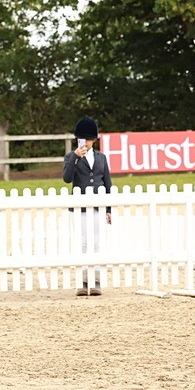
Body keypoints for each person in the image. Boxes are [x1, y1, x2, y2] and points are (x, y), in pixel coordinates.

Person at [62, 116, 113, 296]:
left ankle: (96, 281)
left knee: (97, 243)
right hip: (80, 208)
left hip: (98, 206)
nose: (85, 142)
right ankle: (83, 282)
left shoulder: (101, 158)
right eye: (82, 139)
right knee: (82, 243)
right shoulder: (70, 157)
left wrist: (109, 209)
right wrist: (75, 157)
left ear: (94, 140)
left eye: (88, 139)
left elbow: (107, 183)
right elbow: (67, 178)